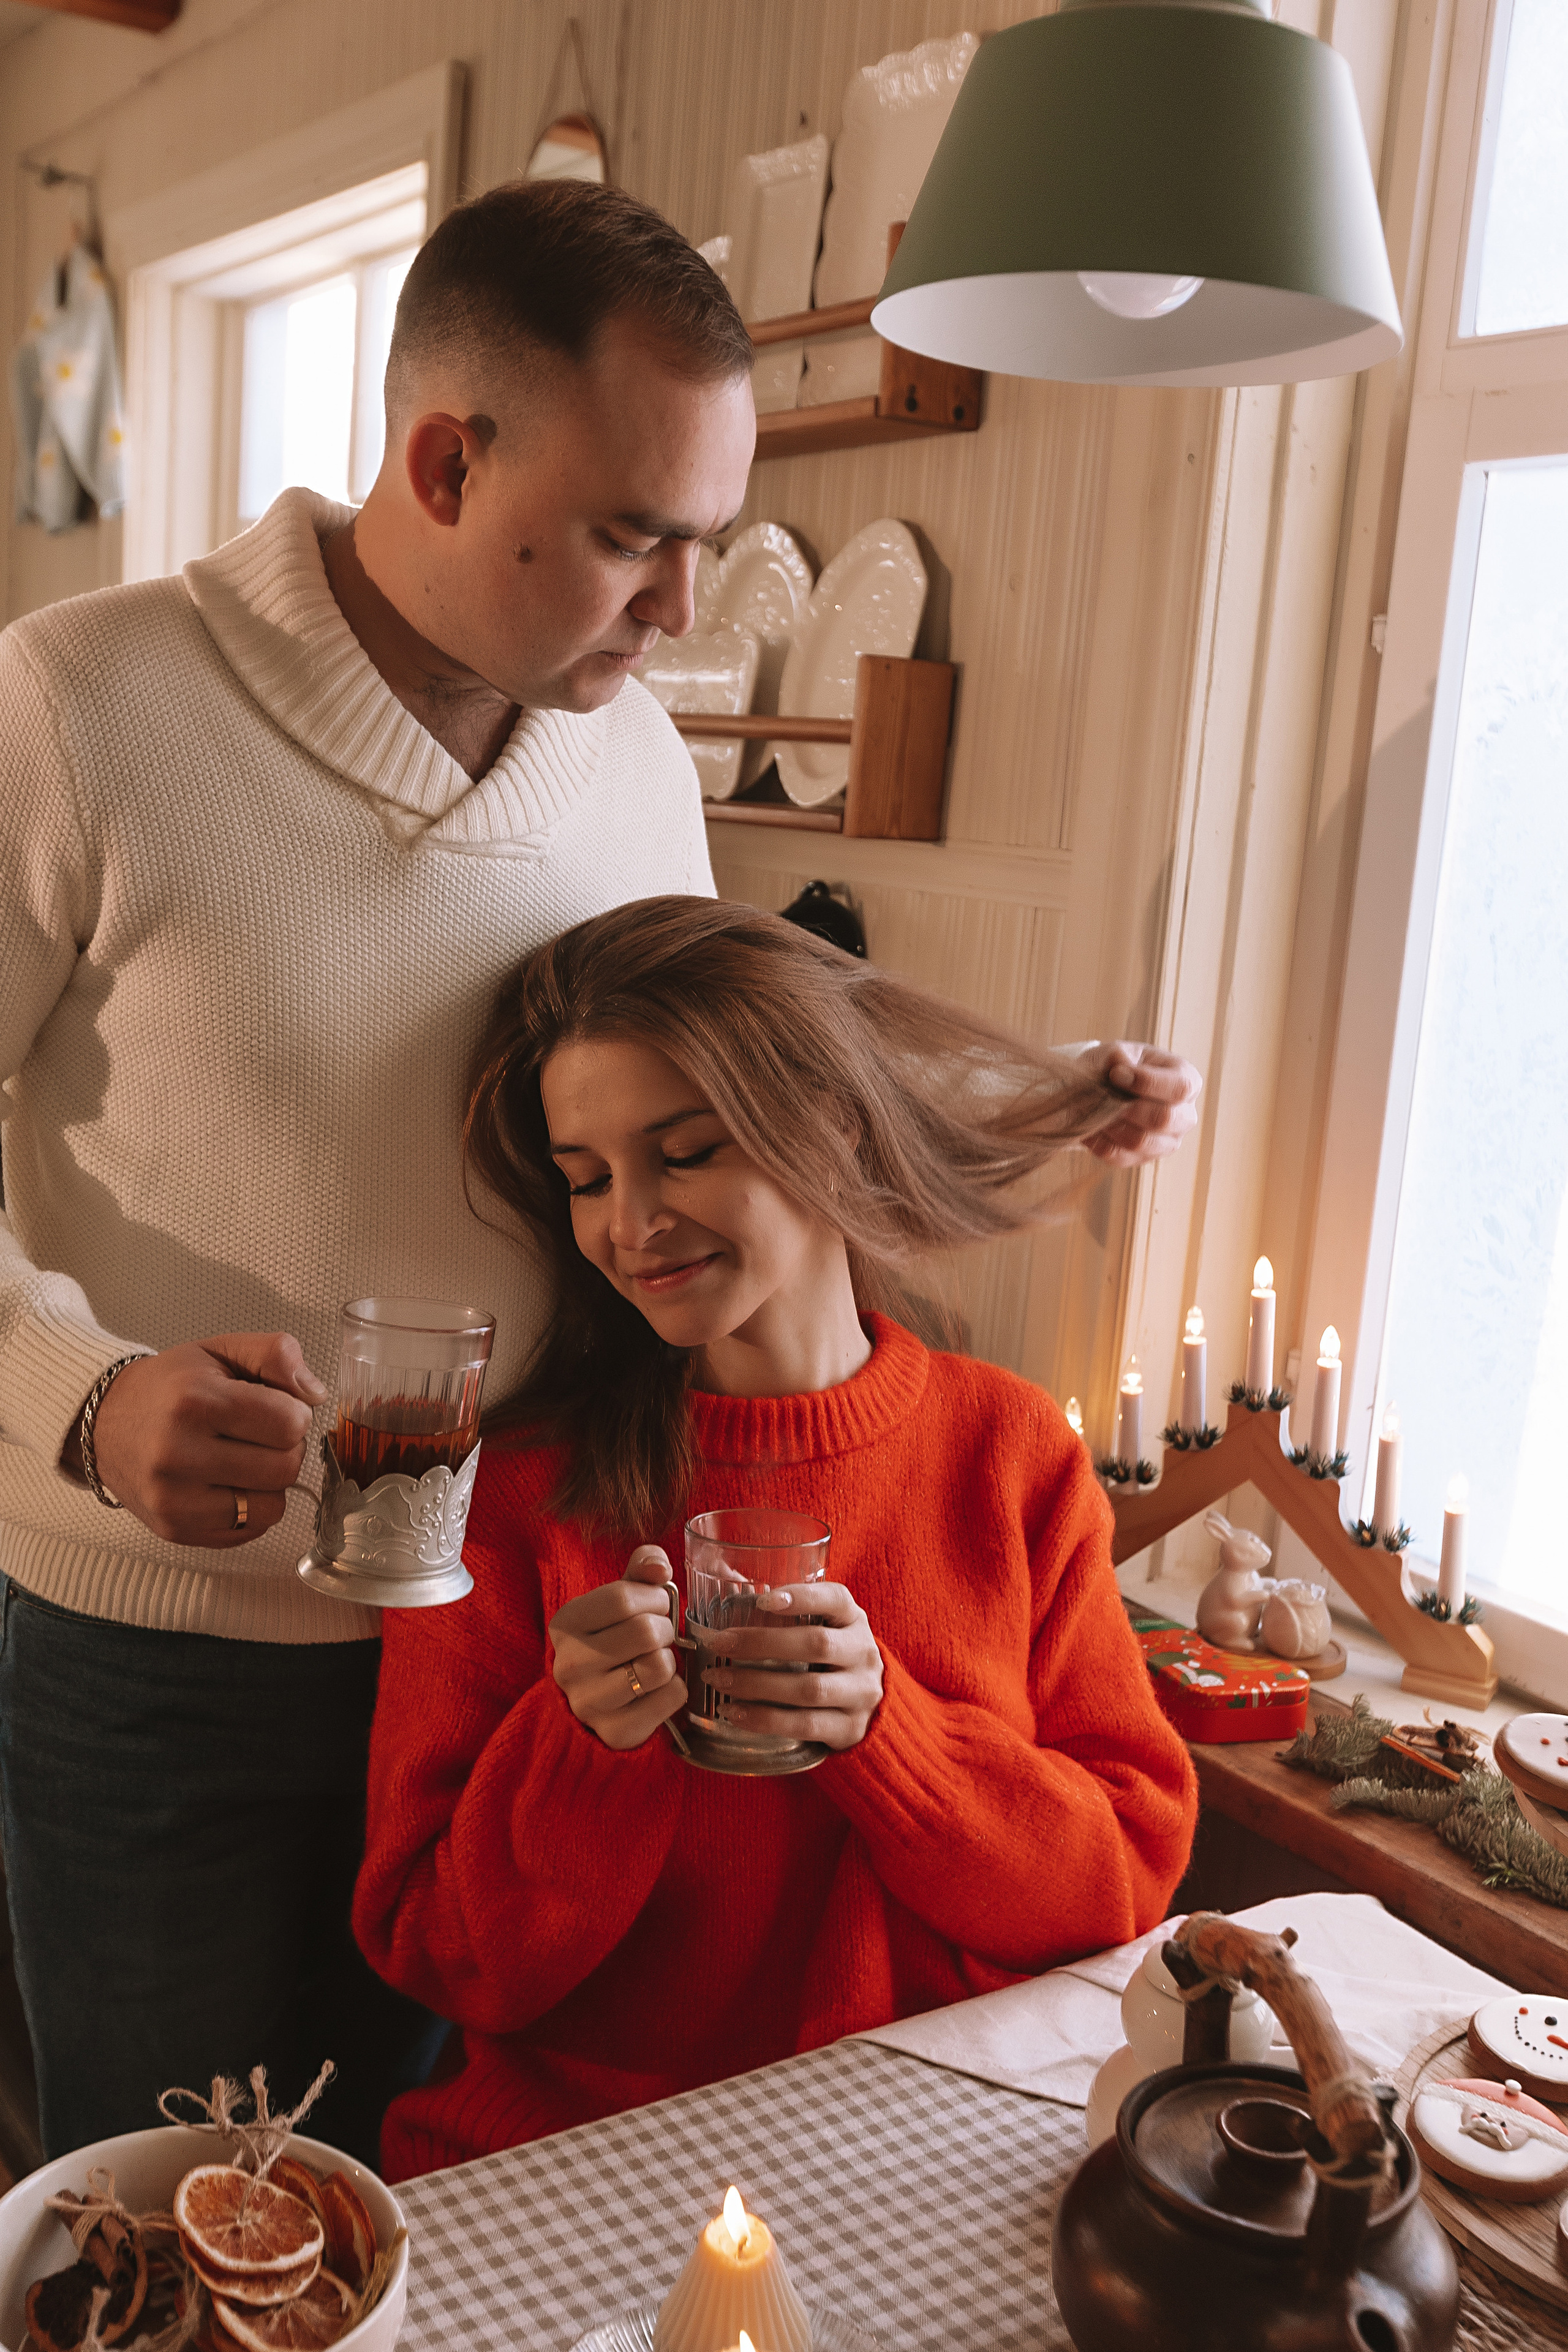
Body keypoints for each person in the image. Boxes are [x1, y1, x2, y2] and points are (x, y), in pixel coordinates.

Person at [0, 171, 1196, 2160]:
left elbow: (723, 1058)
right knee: (181, 2219)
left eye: (705, 546)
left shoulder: (630, 754)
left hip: (534, 1633)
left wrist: (1019, 1099)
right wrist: (85, 1401)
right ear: (447, 459)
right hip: (174, 1665)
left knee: (437, 2222)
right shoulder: (77, 702)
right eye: (640, 539)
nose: (678, 612)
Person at [353, 897, 1199, 2182]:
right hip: (578, 2163)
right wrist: (578, 1753)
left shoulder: (1009, 1453)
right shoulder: (514, 1494)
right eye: (585, 1181)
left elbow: (1116, 1882)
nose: (626, 1225)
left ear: (830, 1126)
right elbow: (442, 1955)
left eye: (681, 1153)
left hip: (920, 2156)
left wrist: (889, 1736)